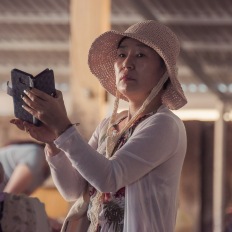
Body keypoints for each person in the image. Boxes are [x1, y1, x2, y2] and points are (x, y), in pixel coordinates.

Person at [11, 20, 188, 232]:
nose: (126, 63)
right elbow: (73, 189)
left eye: (140, 55)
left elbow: (109, 177)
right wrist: (53, 142)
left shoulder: (164, 125)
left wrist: (63, 127)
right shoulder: (109, 125)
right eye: (122, 55)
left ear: (164, 72)